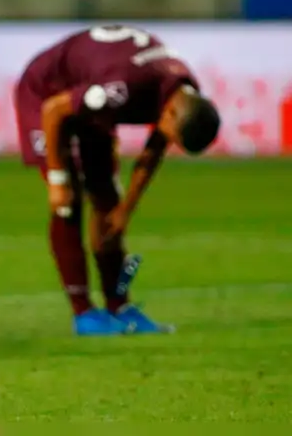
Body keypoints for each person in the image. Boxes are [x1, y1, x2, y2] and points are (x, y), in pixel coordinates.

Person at [14, 25, 221, 336]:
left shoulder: (183, 93)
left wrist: (125, 211)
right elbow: (54, 110)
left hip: (90, 96)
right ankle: (84, 314)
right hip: (48, 91)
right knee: (67, 201)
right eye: (174, 137)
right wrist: (57, 179)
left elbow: (152, 152)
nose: (169, 142)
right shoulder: (122, 88)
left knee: (107, 200)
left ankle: (119, 307)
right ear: (171, 113)